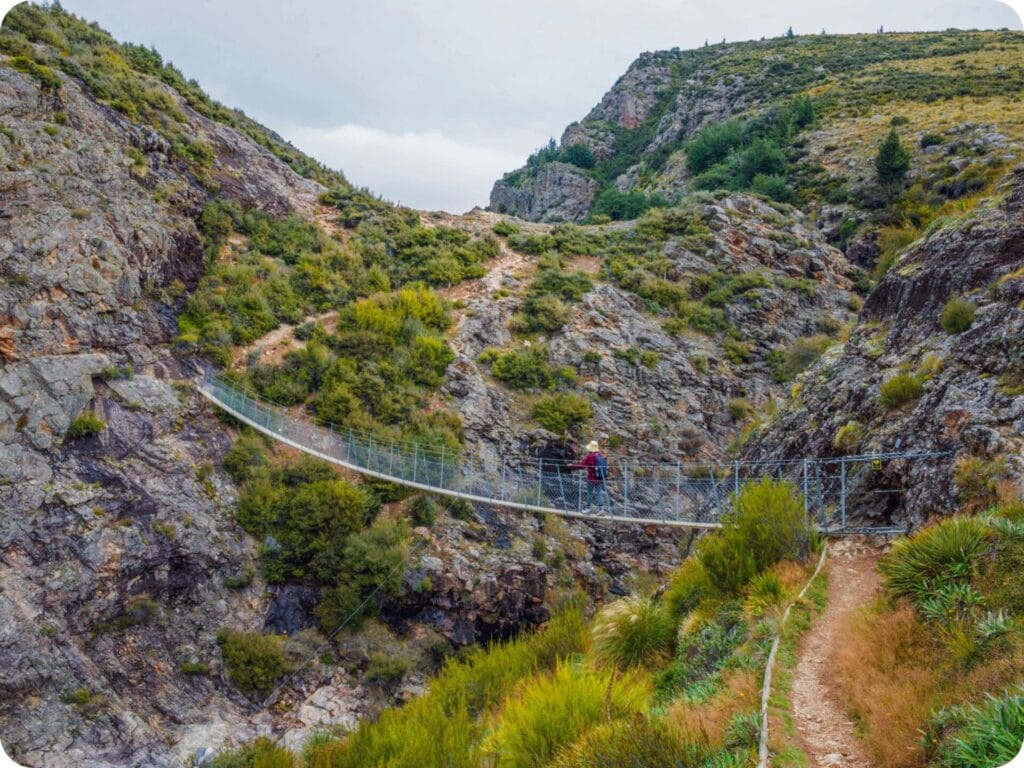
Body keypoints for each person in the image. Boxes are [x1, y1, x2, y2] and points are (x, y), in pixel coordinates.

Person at [570, 440, 609, 512]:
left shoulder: (590, 456)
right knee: (598, 493)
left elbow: (582, 465)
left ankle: (588, 508)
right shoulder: (600, 455)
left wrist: (572, 466)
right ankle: (601, 510)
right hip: (600, 478)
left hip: (591, 478)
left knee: (589, 493)